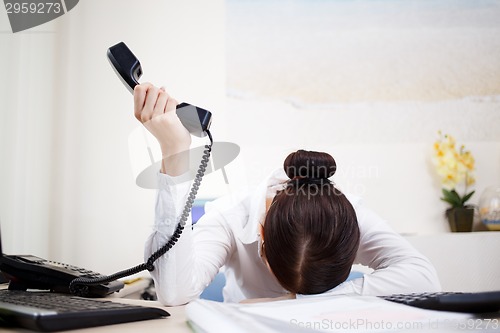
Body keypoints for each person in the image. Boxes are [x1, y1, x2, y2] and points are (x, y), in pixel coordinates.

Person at [134, 83, 441, 306]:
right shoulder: (231, 215)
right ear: (260, 236)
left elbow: (424, 278)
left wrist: (294, 301)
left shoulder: (348, 218)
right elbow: (175, 293)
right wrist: (174, 152)